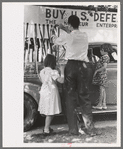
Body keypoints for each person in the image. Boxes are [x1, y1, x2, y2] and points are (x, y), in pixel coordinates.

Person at [52, 15, 100, 136]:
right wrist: (66, 27)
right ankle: (90, 129)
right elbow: (73, 33)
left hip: (71, 67)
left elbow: (56, 40)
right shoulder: (84, 35)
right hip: (84, 66)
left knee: (70, 98)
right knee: (84, 97)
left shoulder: (67, 36)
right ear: (79, 24)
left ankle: (73, 130)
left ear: (69, 25)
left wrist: (55, 32)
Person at [38, 54, 64, 136]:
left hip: (44, 90)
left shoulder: (42, 71)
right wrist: (62, 71)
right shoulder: (53, 72)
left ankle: (47, 127)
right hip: (51, 92)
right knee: (50, 111)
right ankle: (46, 129)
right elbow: (61, 81)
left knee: (49, 110)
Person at [92, 44, 111, 110]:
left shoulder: (105, 57)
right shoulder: (106, 57)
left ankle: (99, 104)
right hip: (103, 75)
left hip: (101, 75)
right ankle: (104, 104)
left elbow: (104, 66)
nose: (100, 51)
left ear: (104, 50)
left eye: (101, 50)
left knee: (101, 90)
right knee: (103, 90)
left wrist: (97, 70)